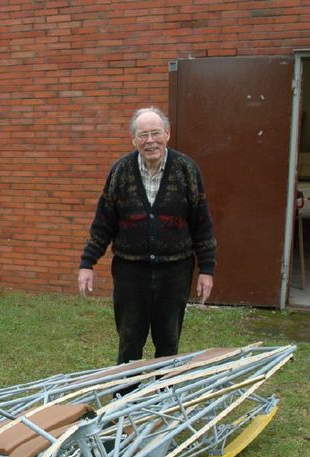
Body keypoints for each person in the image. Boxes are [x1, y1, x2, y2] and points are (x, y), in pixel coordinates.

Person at [77, 107, 216, 364]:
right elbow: (103, 222)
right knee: (129, 342)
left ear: (167, 134)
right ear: (134, 140)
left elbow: (202, 223)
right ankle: (126, 397)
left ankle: (163, 394)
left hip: (175, 271)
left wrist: (207, 268)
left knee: (168, 342)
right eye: (143, 135)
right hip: (131, 272)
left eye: (155, 133)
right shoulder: (120, 172)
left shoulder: (187, 170)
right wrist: (88, 262)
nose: (150, 140)